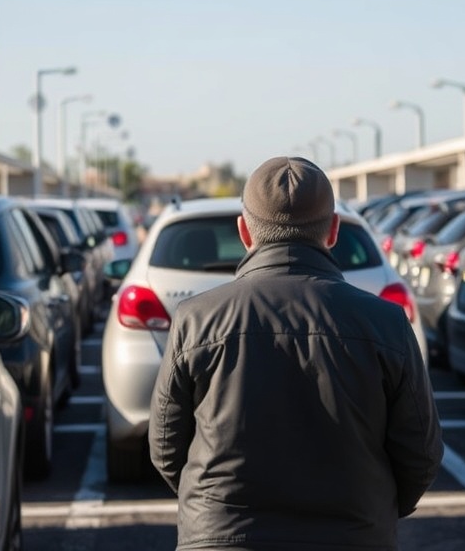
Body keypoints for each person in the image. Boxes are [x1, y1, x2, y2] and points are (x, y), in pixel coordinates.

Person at [150, 155, 443, 551]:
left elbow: (166, 447)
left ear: (244, 232)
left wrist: (211, 510)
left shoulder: (195, 319)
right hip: (353, 537)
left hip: (221, 538)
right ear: (333, 230)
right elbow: (420, 453)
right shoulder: (386, 322)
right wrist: (374, 512)